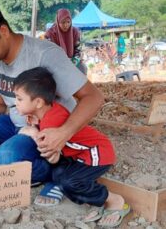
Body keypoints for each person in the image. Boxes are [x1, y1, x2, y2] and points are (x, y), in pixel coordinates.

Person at [0, 0, 104, 196]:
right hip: (16, 124)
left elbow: (94, 97)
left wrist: (63, 133)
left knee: (7, 155)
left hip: (46, 130)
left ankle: (51, 169)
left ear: (4, 31)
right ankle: (17, 164)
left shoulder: (45, 55)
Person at [13, 67, 130, 228]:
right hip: (81, 154)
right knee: (60, 176)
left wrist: (32, 132)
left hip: (98, 153)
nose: (15, 103)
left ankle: (113, 200)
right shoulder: (50, 111)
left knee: (70, 182)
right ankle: (96, 200)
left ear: (38, 102)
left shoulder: (50, 123)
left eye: (19, 99)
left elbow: (50, 155)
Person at [45, 9, 87, 75]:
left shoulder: (75, 32)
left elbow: (78, 50)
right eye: (63, 22)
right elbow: (49, 52)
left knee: (83, 68)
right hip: (55, 63)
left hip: (72, 62)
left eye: (68, 22)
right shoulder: (50, 33)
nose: (66, 25)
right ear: (58, 22)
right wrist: (62, 63)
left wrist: (73, 62)